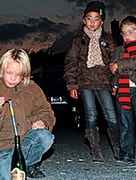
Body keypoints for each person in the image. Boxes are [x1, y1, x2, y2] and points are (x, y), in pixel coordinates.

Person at [0, 48, 56, 179]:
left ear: (25, 74)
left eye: (18, 74)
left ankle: (28, 163)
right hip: (2, 147)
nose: (13, 78)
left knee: (45, 137)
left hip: (24, 143)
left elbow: (45, 110)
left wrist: (43, 121)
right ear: (1, 69)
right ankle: (9, 163)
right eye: (9, 73)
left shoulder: (33, 89)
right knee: (10, 175)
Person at [64, 1, 120, 163]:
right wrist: (72, 85)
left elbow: (115, 63)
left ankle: (117, 148)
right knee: (91, 115)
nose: (92, 22)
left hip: (104, 83)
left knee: (111, 116)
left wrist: (115, 83)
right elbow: (71, 64)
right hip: (85, 84)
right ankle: (95, 150)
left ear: (101, 21)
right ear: (84, 21)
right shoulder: (77, 42)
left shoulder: (108, 40)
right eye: (89, 18)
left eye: (96, 19)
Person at [110, 16, 136, 166]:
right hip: (123, 90)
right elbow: (115, 71)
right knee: (125, 123)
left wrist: (119, 64)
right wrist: (114, 85)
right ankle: (127, 153)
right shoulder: (120, 50)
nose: (127, 36)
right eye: (124, 33)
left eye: (131, 32)